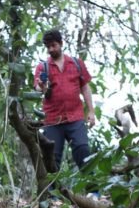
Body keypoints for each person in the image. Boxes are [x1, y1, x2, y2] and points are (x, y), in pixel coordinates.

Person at [33, 29, 96, 171]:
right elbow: (37, 86)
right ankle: (53, 193)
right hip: (53, 120)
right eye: (48, 47)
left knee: (83, 150)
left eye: (53, 45)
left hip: (76, 117)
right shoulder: (43, 67)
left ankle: (93, 192)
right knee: (52, 157)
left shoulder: (76, 63)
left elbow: (85, 88)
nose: (51, 49)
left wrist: (91, 111)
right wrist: (42, 87)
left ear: (61, 43)